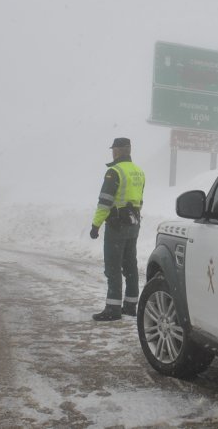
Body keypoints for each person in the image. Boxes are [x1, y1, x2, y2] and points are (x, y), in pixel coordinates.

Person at [89, 137, 146, 321]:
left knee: (113, 267)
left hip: (117, 225)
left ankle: (113, 309)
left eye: (114, 149)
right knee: (130, 265)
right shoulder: (139, 171)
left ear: (120, 150)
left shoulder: (114, 172)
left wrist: (96, 225)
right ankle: (130, 306)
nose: (112, 152)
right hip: (133, 223)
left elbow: (105, 201)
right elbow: (140, 199)